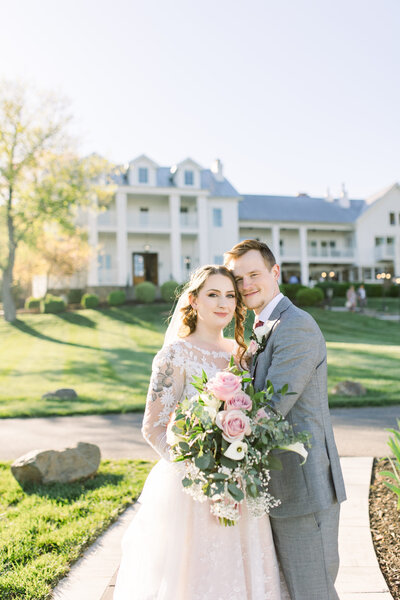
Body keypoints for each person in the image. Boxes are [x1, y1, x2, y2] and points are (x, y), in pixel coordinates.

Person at [114, 265, 290, 600]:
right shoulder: (174, 356)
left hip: (240, 483)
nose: (223, 303)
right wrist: (202, 476)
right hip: (192, 488)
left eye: (229, 295)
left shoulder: (242, 355)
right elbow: (153, 426)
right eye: (213, 294)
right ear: (193, 300)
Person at [225, 239, 346, 600]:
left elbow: (274, 406)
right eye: (238, 278)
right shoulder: (266, 326)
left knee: (313, 592)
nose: (246, 285)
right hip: (279, 487)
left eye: (254, 274)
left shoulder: (295, 326)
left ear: (275, 272)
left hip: (303, 486)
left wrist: (222, 447)